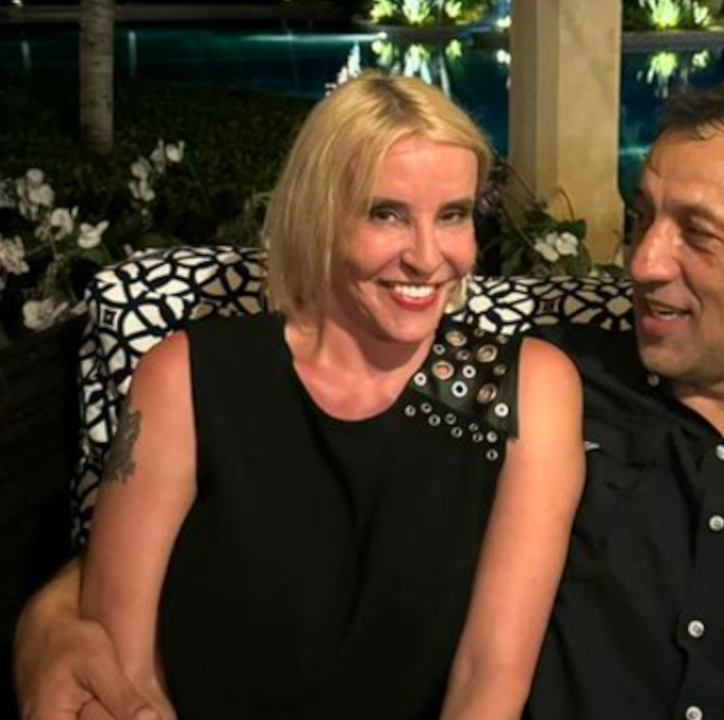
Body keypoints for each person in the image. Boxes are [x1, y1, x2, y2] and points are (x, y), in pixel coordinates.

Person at [14, 78, 724, 720]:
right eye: (640, 217)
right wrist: (52, 627)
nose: (641, 263)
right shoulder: (537, 385)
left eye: (695, 235)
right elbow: (296, 494)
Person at [34, 73, 585, 720]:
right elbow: (123, 667)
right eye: (386, 214)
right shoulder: (186, 377)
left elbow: (488, 678)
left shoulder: (525, 389)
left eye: (453, 215)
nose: (427, 257)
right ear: (317, 215)